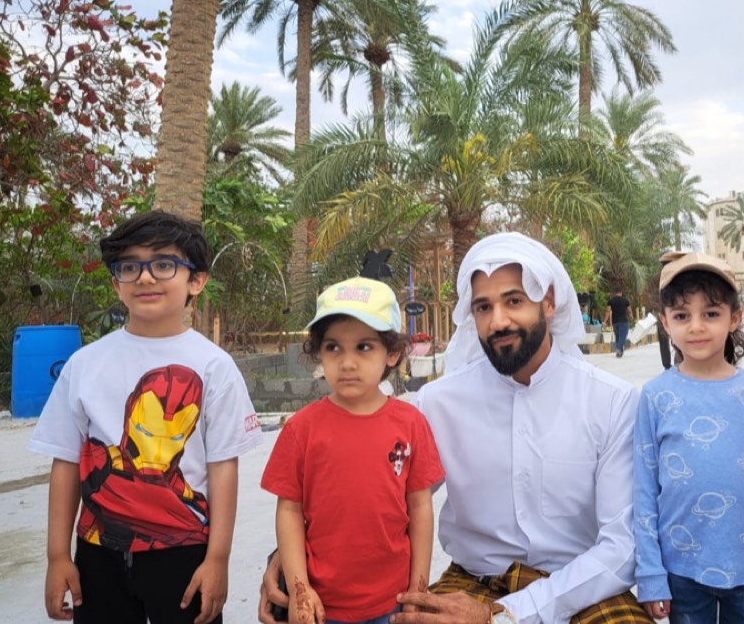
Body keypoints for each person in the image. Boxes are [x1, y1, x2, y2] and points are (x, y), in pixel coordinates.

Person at [260, 232, 648, 624]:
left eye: (514, 301)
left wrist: (507, 616)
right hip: (473, 581)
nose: (498, 321)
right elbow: (370, 496)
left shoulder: (610, 402)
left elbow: (620, 547)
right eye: (483, 307)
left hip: (580, 587)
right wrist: (290, 563)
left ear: (548, 301)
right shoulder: (436, 404)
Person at [29, 209, 263, 623]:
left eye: (163, 264)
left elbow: (222, 466)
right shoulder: (84, 365)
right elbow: (65, 462)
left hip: (185, 557)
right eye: (130, 266)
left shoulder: (215, 367)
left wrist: (218, 559)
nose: (145, 277)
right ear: (116, 282)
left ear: (196, 280)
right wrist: (57, 556)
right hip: (98, 556)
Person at [634, 252, 744, 624]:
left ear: (734, 318)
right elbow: (644, 492)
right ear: (665, 323)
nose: (696, 327)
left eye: (711, 313)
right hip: (681, 571)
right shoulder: (655, 397)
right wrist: (650, 573)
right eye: (682, 316)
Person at [261, 276, 445, 624]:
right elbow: (289, 510)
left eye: (363, 347)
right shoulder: (301, 429)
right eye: (333, 347)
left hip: (392, 604)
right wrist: (300, 589)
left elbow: (420, 507)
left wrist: (417, 592)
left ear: (392, 352)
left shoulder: (411, 425)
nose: (347, 362)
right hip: (321, 606)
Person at [603, 287, 634, 358]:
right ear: (621, 292)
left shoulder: (611, 301)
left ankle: (619, 353)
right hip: (623, 321)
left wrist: (604, 322)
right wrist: (631, 317)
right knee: (623, 336)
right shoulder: (625, 300)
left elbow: (607, 311)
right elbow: (629, 311)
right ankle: (618, 348)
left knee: (618, 337)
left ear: (614, 293)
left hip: (615, 322)